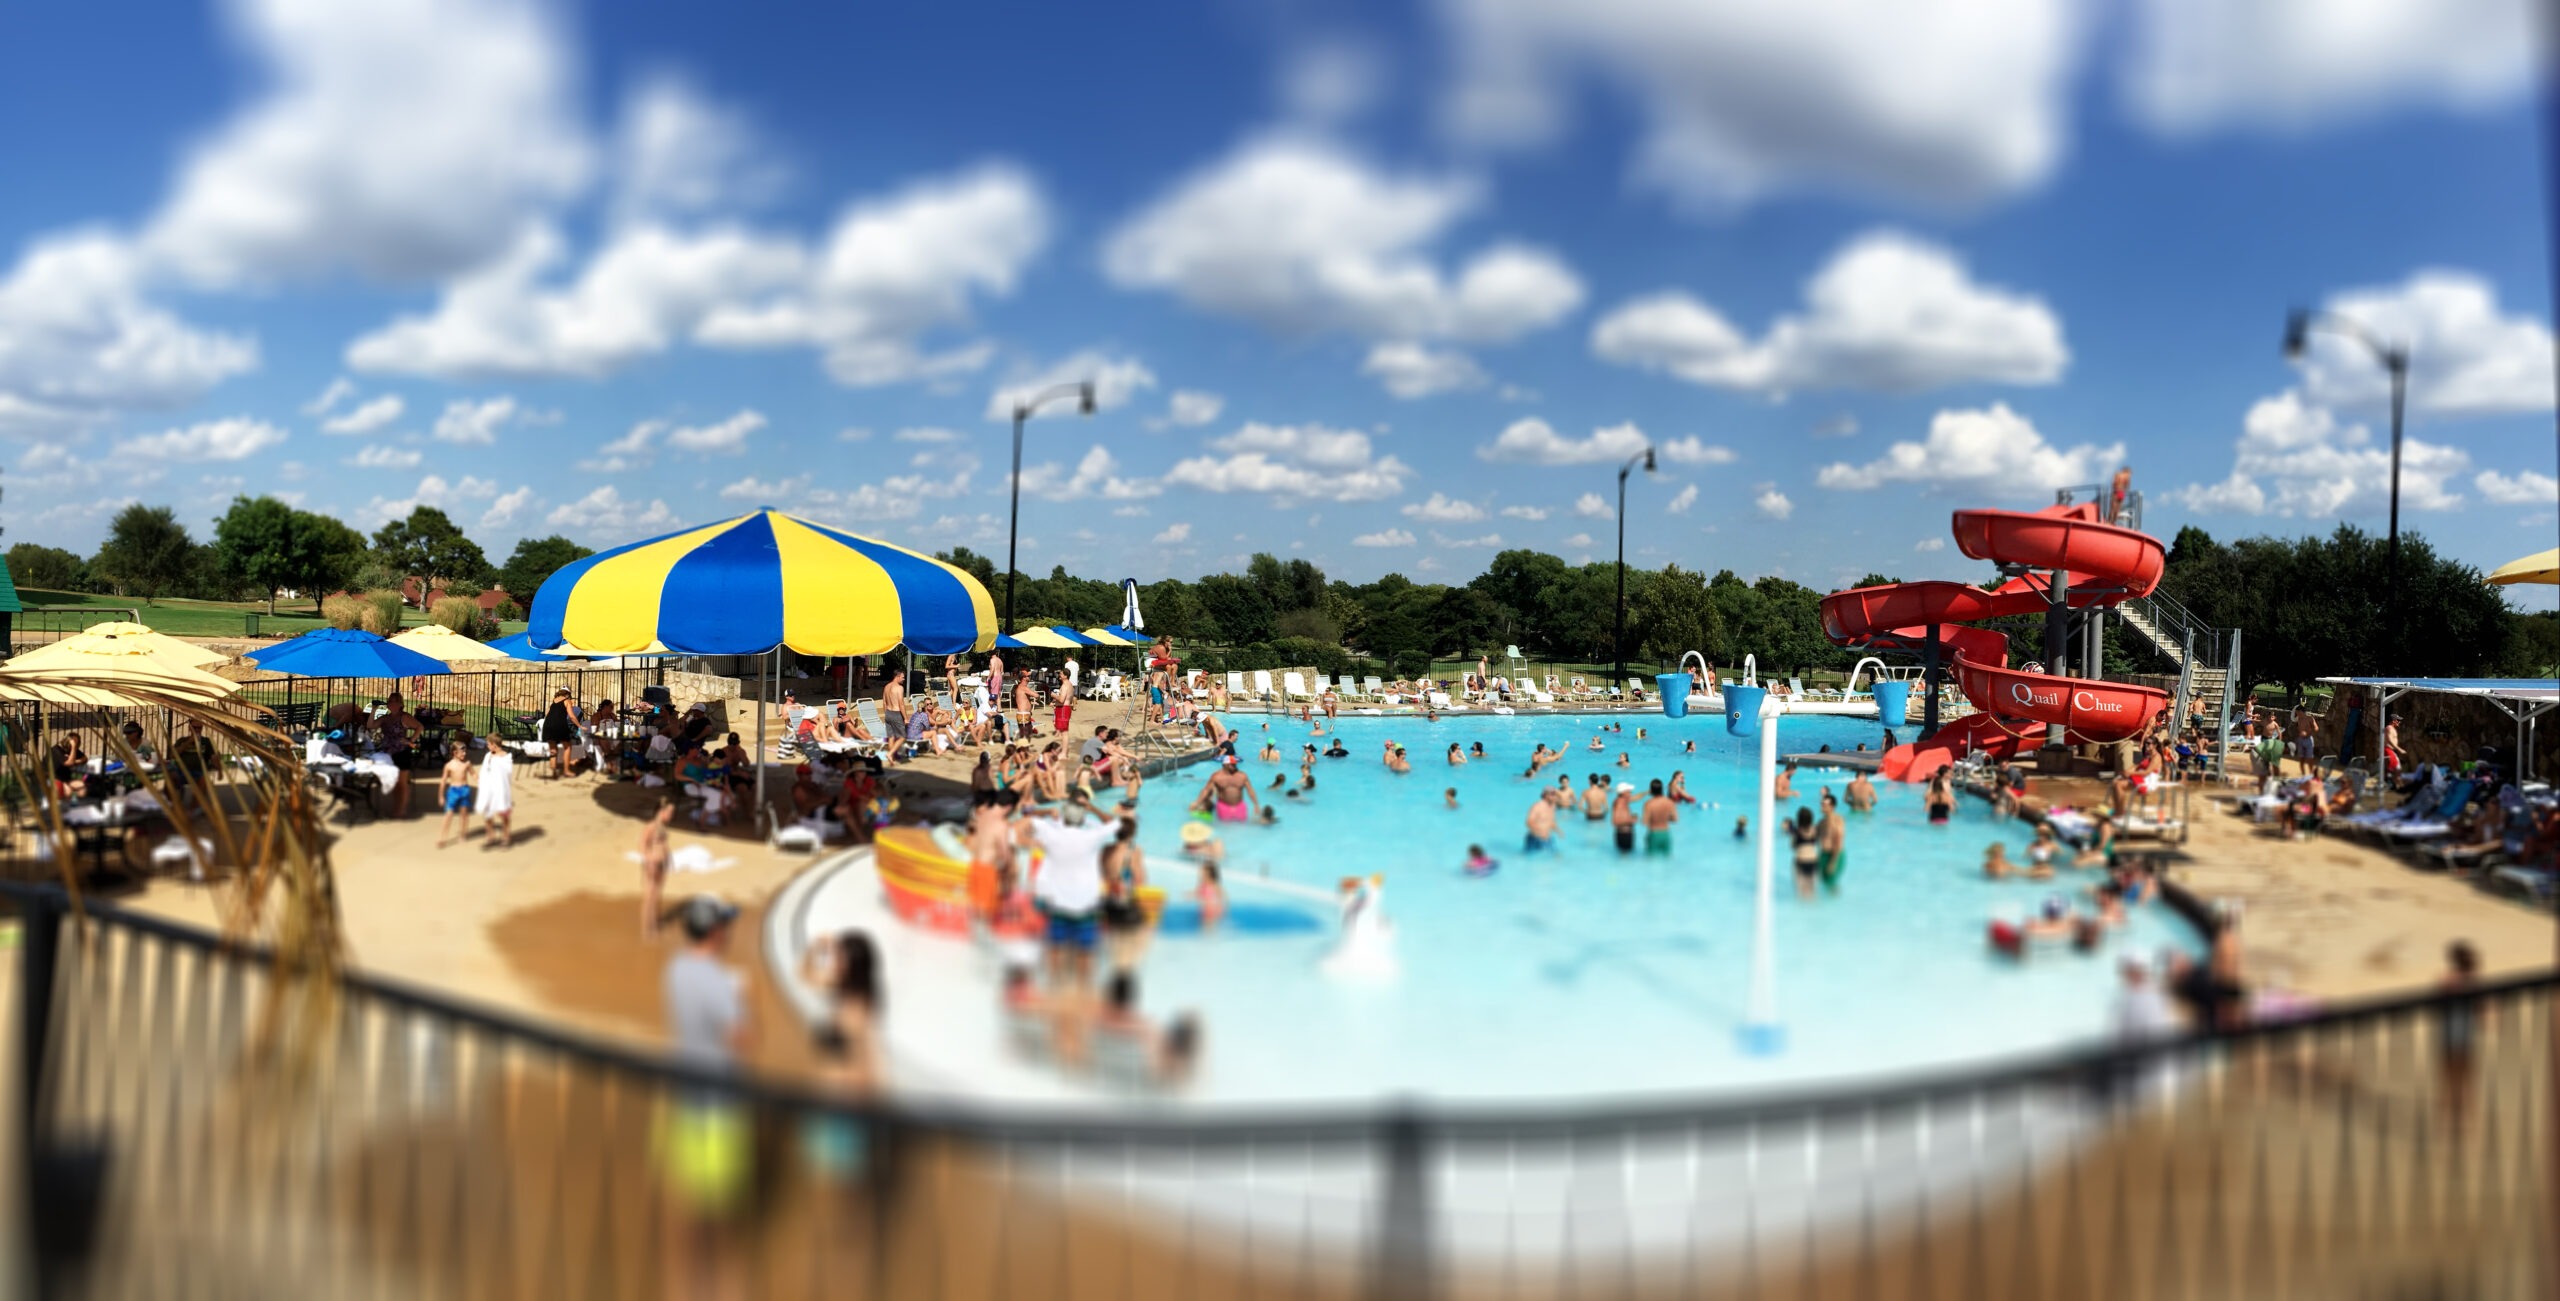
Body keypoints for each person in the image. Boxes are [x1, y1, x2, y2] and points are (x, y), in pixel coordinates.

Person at [1027, 800, 1117, 993]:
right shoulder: (1091, 837)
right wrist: (1092, 809)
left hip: (1058, 902)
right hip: (1086, 903)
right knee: (1086, 952)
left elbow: (1027, 813)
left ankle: (1053, 986)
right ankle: (1085, 990)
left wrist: (1046, 811)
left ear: (1064, 818)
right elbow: (1115, 824)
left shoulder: (1052, 835)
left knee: (1055, 948)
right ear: (1082, 819)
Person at [1100, 817, 1152, 973]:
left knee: (1113, 943)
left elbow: (1100, 875)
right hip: (1126, 902)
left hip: (1107, 900)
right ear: (1133, 833)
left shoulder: (1106, 849)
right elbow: (1140, 880)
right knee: (1140, 938)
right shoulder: (1134, 851)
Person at [2438, 940, 2480, 1133]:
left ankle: (2444, 1125)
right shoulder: (2473, 980)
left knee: (2447, 1081)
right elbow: (2481, 1009)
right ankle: (2469, 1125)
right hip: (2465, 1036)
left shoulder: (2446, 980)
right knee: (2466, 1081)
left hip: (2448, 1036)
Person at [638, 797, 675, 936]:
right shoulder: (651, 827)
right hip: (652, 864)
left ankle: (655, 923)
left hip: (662, 864)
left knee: (657, 895)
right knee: (649, 897)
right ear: (661, 811)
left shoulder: (662, 827)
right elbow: (642, 845)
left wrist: (668, 862)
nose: (671, 815)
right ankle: (647, 929)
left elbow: (663, 845)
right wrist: (650, 860)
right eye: (669, 812)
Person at [1194, 753, 1261, 823]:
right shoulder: (1217, 776)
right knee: (1225, 829)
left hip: (1239, 806)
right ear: (1224, 764)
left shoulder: (1242, 776)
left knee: (1242, 828)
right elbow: (1206, 790)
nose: (1233, 765)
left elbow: (1250, 790)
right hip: (1224, 807)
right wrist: (1197, 803)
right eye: (1231, 764)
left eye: (1234, 764)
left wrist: (1256, 804)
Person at [473, 740, 516, 848]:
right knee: (488, 813)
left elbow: (507, 773)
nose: (487, 746)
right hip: (488, 788)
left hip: (501, 789)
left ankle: (506, 837)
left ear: (494, 744)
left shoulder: (505, 757)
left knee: (504, 814)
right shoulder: (488, 756)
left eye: (488, 744)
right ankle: (490, 835)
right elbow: (484, 771)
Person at [435, 742, 475, 849]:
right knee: (448, 815)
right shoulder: (449, 766)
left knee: (464, 815)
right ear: (455, 753)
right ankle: (442, 837)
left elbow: (473, 774)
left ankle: (463, 834)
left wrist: (480, 779)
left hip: (464, 789)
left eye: (465, 751)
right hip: (453, 791)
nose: (464, 754)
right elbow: (443, 781)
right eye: (462, 752)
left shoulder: (467, 764)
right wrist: (441, 796)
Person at [540, 689, 583, 781]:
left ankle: (553, 771)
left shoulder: (553, 702)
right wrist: (579, 726)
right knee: (567, 747)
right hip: (559, 726)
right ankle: (566, 771)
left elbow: (547, 714)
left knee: (553, 749)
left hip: (547, 725)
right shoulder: (567, 701)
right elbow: (571, 716)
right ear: (567, 695)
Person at [1816, 790, 1847, 890]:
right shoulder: (1821, 822)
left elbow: (1838, 840)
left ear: (1832, 806)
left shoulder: (1837, 820)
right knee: (1825, 885)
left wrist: (1833, 861)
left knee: (1831, 885)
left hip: (1834, 856)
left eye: (1824, 805)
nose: (1821, 807)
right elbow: (1811, 836)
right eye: (1821, 804)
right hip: (1823, 856)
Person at [1789, 807, 1821, 897]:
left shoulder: (1796, 832)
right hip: (1814, 860)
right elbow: (1818, 842)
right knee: (1813, 890)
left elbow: (1792, 846)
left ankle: (1801, 910)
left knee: (1800, 891)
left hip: (1801, 860)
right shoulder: (1815, 830)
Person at [1640, 779, 1678, 855]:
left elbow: (1645, 822)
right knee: (1666, 860)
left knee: (1651, 861)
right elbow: (1675, 819)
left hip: (1654, 834)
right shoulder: (1669, 802)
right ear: (1662, 789)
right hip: (1665, 834)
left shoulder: (1649, 804)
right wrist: (1664, 818)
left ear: (1651, 790)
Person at [1610, 782, 1638, 853]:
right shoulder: (1619, 804)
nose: (1630, 793)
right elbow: (1615, 821)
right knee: (1625, 857)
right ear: (1623, 793)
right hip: (1624, 835)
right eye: (1628, 791)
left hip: (1625, 834)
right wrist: (1631, 820)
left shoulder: (1623, 802)